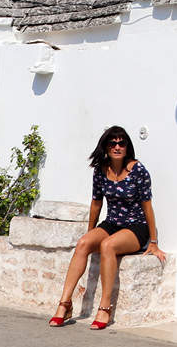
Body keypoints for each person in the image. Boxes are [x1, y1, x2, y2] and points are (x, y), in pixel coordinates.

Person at [49, 125, 167, 329]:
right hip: (112, 223)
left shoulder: (138, 170)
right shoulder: (101, 170)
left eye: (122, 143)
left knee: (108, 246)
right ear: (106, 147)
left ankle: (105, 307)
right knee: (83, 243)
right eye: (113, 143)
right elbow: (96, 203)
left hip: (136, 227)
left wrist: (154, 241)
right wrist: (91, 232)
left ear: (127, 147)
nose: (117, 146)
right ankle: (65, 304)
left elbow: (148, 207)